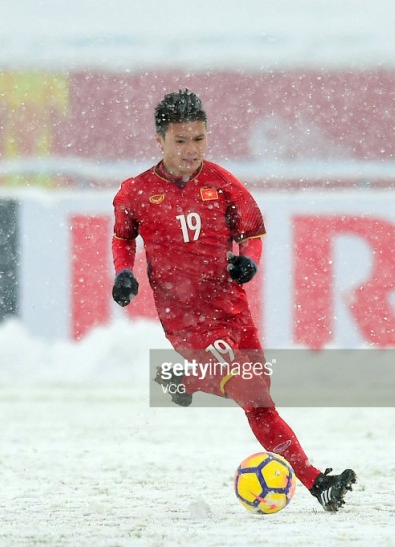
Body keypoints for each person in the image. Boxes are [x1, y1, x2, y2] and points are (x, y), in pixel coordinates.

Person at [110, 89, 356, 512]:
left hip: (231, 308)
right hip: (186, 318)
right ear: (160, 140)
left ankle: (183, 380)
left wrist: (249, 263)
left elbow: (253, 233)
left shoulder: (222, 183)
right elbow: (122, 237)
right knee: (250, 392)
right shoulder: (135, 192)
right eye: (181, 141)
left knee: (260, 396)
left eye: (199, 139)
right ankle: (316, 482)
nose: (192, 150)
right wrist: (124, 274)